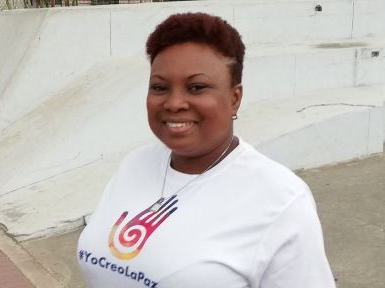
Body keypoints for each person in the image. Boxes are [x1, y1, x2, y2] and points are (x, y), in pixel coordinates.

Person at [77, 12, 336, 288]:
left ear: (234, 98)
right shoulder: (135, 164)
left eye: (196, 87)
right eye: (160, 87)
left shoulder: (281, 200)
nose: (174, 103)